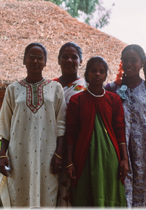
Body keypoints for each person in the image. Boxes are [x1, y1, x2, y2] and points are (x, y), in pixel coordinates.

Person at [0, 42, 67, 207]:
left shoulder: (56, 89)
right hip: (19, 155)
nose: (35, 61)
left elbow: (61, 125)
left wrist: (59, 154)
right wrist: (3, 155)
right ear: (24, 61)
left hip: (47, 155)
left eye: (39, 58)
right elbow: (5, 124)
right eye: (31, 57)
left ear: (45, 62)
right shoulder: (13, 89)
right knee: (19, 196)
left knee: (47, 196)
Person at [105, 44, 146, 207]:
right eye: (125, 60)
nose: (129, 64)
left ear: (142, 63)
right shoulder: (111, 89)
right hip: (119, 146)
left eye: (134, 60)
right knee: (122, 188)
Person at [65, 56, 129, 207]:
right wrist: (69, 162)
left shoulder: (114, 100)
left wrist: (124, 159)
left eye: (101, 71)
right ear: (87, 74)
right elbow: (71, 134)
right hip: (83, 157)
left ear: (106, 75)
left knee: (109, 195)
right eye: (94, 71)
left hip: (110, 159)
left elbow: (120, 131)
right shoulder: (77, 100)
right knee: (84, 195)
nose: (97, 74)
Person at [52, 42, 87, 207]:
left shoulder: (88, 88)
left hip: (79, 149)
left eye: (74, 57)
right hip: (52, 149)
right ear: (58, 60)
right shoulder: (50, 87)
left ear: (81, 61)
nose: (69, 60)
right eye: (65, 56)